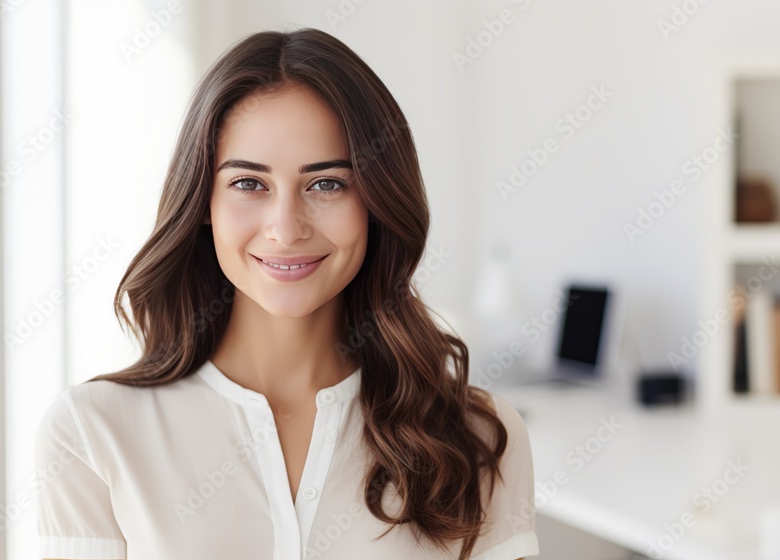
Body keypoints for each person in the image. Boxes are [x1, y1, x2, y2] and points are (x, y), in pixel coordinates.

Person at [36, 27, 539, 560]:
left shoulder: (481, 437)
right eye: (249, 183)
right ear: (202, 205)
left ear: (376, 201)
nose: (286, 227)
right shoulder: (92, 431)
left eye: (326, 184)